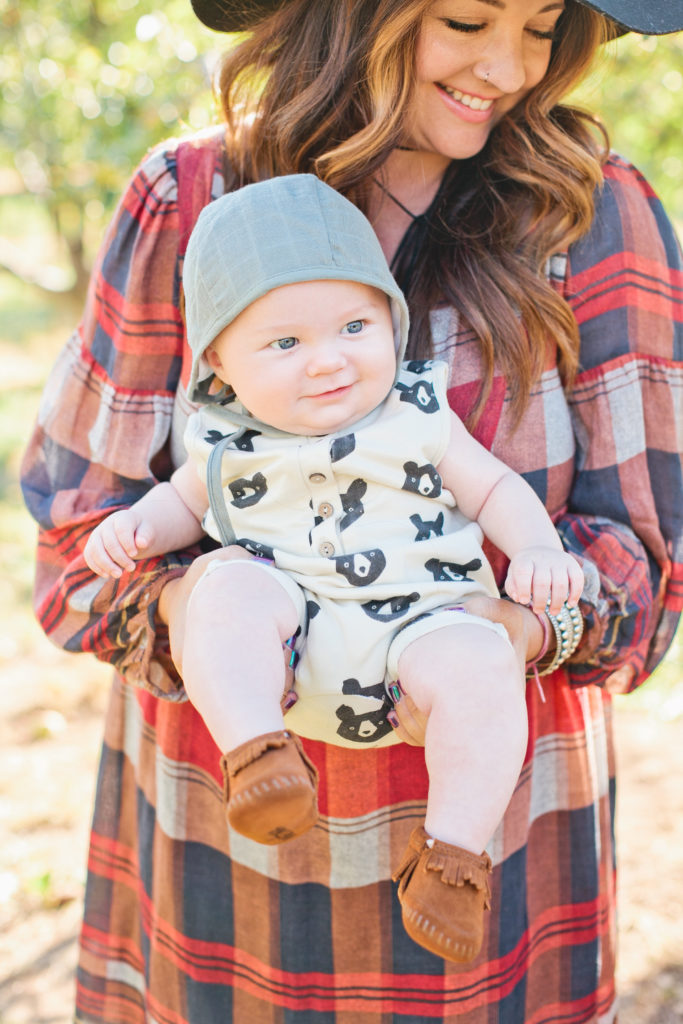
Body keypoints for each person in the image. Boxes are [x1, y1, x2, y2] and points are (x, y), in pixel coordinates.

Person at [20, 0, 682, 1019]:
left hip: (492, 852)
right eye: (465, 18)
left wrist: (521, 627)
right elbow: (76, 549)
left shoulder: (589, 215)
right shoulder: (190, 199)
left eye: (542, 27)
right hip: (226, 854)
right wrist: (195, 608)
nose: (506, 67)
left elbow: (645, 565)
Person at [82, 172, 584, 960]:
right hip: (291, 634)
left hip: (421, 631)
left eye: (355, 326)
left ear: (390, 320)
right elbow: (176, 504)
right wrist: (133, 530)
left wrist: (535, 550)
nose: (327, 362)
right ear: (219, 357)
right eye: (284, 343)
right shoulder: (222, 439)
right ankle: (256, 758)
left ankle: (451, 858)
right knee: (219, 587)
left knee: (483, 666)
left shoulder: (416, 413)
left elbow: (492, 487)